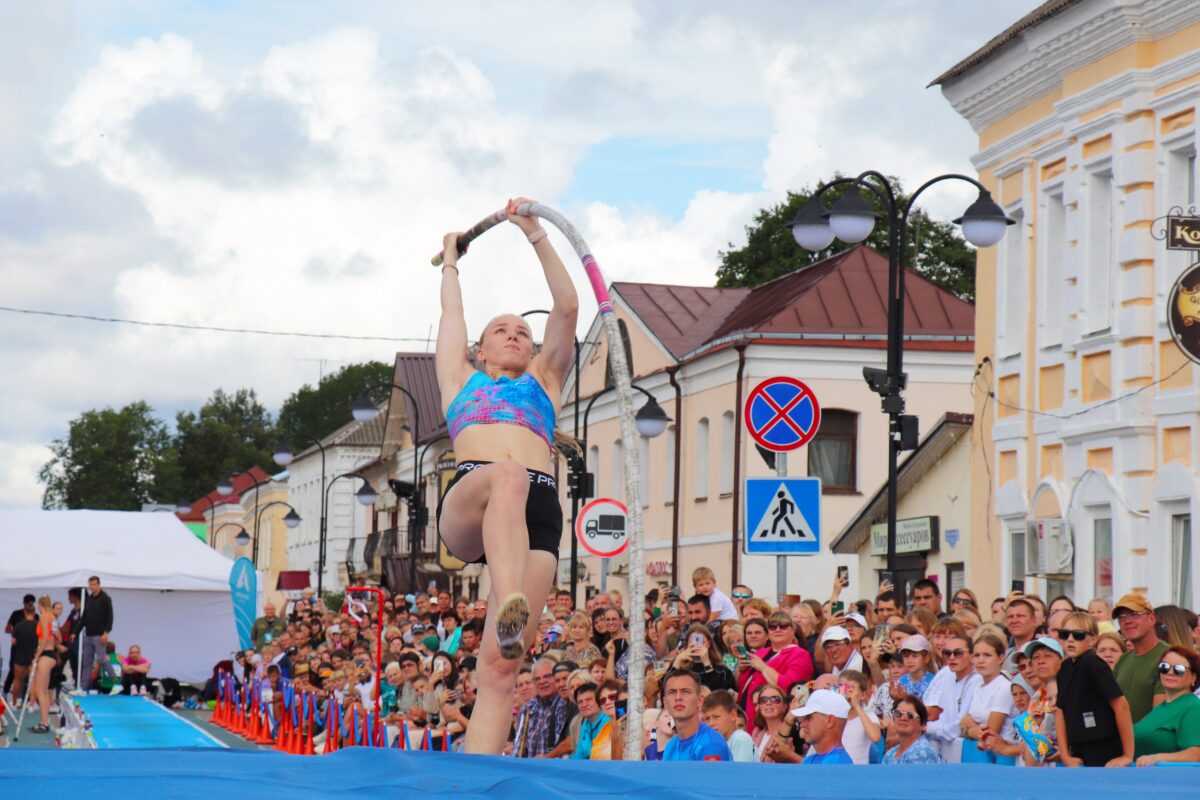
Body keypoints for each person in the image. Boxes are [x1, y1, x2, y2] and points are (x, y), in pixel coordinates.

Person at [435, 200, 578, 754]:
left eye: (523, 330)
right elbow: (451, 317)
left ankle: (476, 778)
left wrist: (535, 234)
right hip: (476, 498)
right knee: (511, 474)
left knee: (500, 669)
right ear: (481, 348)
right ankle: (508, 594)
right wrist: (452, 261)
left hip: (538, 514)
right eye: (502, 330)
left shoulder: (546, 380)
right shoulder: (458, 378)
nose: (515, 335)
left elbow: (566, 306)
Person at [1054, 611, 1133, 767]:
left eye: (1078, 635)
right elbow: (1060, 711)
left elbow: (1121, 705)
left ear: (1093, 640)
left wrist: (1127, 755)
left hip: (1103, 744)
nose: (1070, 639)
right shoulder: (1064, 667)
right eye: (1064, 634)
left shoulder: (1093, 663)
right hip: (1077, 745)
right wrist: (1065, 754)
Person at [737, 611, 814, 731]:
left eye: (783, 626)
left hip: (776, 723)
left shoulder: (800, 655)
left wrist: (763, 668)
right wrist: (741, 670)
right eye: (772, 627)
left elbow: (790, 689)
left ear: (793, 630)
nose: (777, 629)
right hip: (748, 717)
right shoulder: (761, 652)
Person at [1132, 646, 1200, 765]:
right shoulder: (1160, 708)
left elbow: (1196, 754)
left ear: (1194, 677)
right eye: (1164, 667)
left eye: (1179, 669)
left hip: (1167, 779)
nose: (1170, 672)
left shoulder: (1193, 707)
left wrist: (1157, 758)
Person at [1112, 593, 1168, 723]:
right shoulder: (1123, 660)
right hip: (1121, 741)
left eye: (1134, 614)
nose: (1127, 621)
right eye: (1121, 617)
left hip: (1149, 741)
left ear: (1152, 618)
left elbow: (1160, 716)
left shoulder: (1167, 656)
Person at [924, 633, 981, 763]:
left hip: (969, 751)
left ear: (972, 656)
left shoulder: (977, 680)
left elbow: (958, 727)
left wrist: (928, 728)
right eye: (947, 653)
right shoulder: (947, 675)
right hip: (946, 747)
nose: (952, 657)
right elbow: (942, 716)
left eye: (958, 653)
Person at [960, 632, 1014, 763]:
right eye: (976, 655)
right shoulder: (977, 685)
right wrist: (973, 730)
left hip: (1002, 756)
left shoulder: (1004, 687)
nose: (980, 660)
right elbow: (964, 720)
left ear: (1001, 658)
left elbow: (990, 732)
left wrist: (969, 730)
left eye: (987, 655)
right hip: (980, 753)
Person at [660, 670, 732, 761]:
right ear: (665, 702)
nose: (678, 697)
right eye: (672, 692)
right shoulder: (670, 746)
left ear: (700, 700)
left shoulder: (711, 744)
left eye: (686, 691)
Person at [512, 658, 576, 758]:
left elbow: (568, 743)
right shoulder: (528, 707)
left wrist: (547, 758)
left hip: (554, 768)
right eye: (537, 679)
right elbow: (518, 747)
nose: (542, 681)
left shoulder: (565, 702)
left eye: (547, 676)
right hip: (530, 768)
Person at [793, 688, 854, 764]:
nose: (802, 724)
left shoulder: (838, 762)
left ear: (830, 721)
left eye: (808, 718)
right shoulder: (809, 760)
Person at [669, 624, 735, 692]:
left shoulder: (721, 670)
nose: (697, 646)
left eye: (702, 642)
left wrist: (707, 663)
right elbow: (664, 687)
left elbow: (719, 691)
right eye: (692, 642)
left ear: (709, 644)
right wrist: (677, 660)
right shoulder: (679, 666)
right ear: (687, 644)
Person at [77, 576, 113, 694]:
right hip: (89, 634)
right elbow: (84, 617)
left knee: (101, 659)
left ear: (99, 585)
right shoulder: (89, 599)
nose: (92, 587)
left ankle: (116, 681)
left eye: (94, 584)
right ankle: (83, 688)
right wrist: (75, 632)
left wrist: (106, 632)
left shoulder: (105, 598)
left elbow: (110, 616)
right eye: (90, 584)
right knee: (87, 662)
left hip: (99, 634)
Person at [836, 669, 882, 764]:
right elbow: (803, 733)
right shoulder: (833, 716)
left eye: (851, 687)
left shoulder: (868, 715)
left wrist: (857, 705)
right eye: (842, 687)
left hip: (857, 771)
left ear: (863, 695)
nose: (847, 692)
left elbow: (875, 737)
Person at [29, 595, 59, 734]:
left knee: (41, 691)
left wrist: (38, 654)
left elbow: (45, 636)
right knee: (45, 691)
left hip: (46, 654)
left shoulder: (43, 616)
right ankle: (44, 722)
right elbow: (57, 636)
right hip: (51, 654)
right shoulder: (53, 618)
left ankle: (44, 723)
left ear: (40, 604)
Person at [883, 696, 942, 764]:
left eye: (910, 715)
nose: (903, 718)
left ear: (923, 725)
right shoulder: (889, 755)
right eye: (898, 713)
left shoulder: (922, 753)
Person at [751, 684, 801, 763]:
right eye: (763, 700)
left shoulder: (791, 730)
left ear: (784, 707)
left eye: (775, 699)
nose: (768, 703)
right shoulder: (756, 732)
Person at [701, 690, 755, 762]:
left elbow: (740, 772)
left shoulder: (740, 738)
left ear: (733, 715)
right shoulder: (718, 741)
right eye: (707, 718)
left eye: (716, 717)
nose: (711, 723)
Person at [570, 682, 612, 760]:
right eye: (580, 702)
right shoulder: (585, 725)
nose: (584, 705)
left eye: (588, 699)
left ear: (599, 700)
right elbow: (579, 757)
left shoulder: (609, 721)